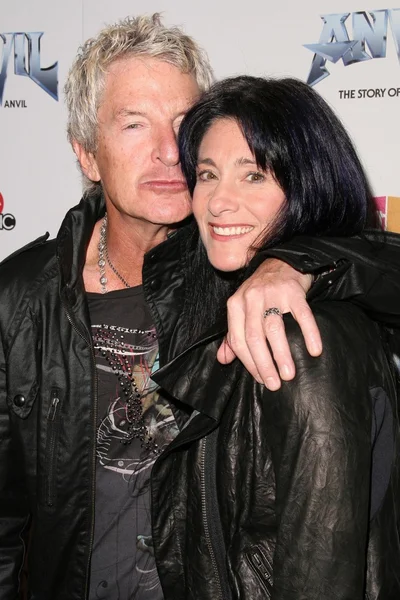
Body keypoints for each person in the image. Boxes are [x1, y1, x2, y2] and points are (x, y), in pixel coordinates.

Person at [1, 15, 400, 600]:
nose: (168, 154)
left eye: (183, 127)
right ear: (86, 153)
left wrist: (299, 264)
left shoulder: (238, 262)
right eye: (134, 124)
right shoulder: (21, 296)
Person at [150, 76, 400, 600]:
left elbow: (322, 569)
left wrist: (300, 262)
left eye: (254, 176)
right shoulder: (216, 299)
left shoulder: (306, 340)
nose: (219, 202)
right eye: (208, 174)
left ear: (308, 185)